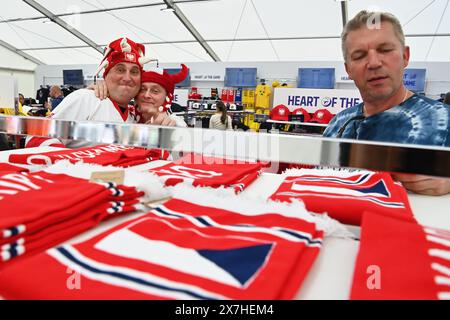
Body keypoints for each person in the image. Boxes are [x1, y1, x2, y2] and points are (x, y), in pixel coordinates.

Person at [323, 10, 450, 196]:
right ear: (348, 69)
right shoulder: (338, 123)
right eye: (359, 55)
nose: (374, 63)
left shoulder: (444, 120)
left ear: (405, 56)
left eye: (385, 50)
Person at [50, 37, 151, 123]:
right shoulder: (85, 99)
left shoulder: (136, 116)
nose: (127, 78)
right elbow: (39, 136)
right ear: (105, 75)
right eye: (120, 70)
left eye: (134, 72)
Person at [92, 65, 189, 127]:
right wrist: (102, 87)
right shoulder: (128, 117)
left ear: (167, 97)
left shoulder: (174, 124)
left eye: (155, 91)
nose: (147, 95)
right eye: (142, 89)